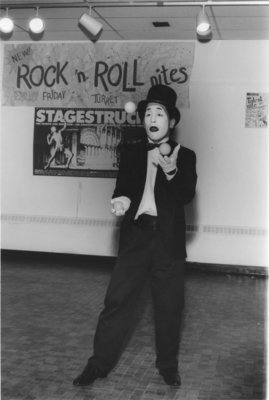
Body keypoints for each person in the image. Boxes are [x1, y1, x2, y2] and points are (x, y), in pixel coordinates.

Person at [73, 85, 197, 387]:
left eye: (159, 113)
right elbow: (124, 187)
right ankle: (98, 365)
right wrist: (122, 200)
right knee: (116, 302)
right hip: (136, 239)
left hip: (167, 244)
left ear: (172, 122)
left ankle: (168, 366)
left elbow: (185, 195)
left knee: (169, 309)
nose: (152, 117)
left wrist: (171, 171)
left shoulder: (186, 156)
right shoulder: (130, 151)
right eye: (148, 113)